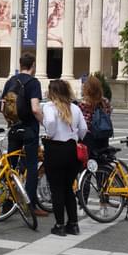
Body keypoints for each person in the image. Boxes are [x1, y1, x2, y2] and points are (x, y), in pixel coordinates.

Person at [2, 52, 48, 217]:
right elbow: (35, 108)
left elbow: (3, 107)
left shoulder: (10, 81)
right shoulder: (33, 83)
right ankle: (30, 205)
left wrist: (11, 123)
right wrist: (45, 123)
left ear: (20, 64)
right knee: (31, 166)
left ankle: (8, 202)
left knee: (11, 166)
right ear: (33, 66)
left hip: (14, 129)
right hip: (29, 129)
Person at [41, 79, 87, 237]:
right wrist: (74, 136)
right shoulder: (75, 108)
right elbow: (84, 129)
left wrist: (51, 133)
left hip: (55, 149)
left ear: (52, 92)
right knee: (68, 188)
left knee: (56, 189)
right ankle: (73, 224)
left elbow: (51, 123)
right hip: (72, 151)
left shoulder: (49, 106)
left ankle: (59, 224)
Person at [79, 75, 113, 157]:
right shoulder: (105, 102)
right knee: (101, 160)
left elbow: (84, 124)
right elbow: (109, 113)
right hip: (103, 136)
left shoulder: (84, 104)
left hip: (89, 138)